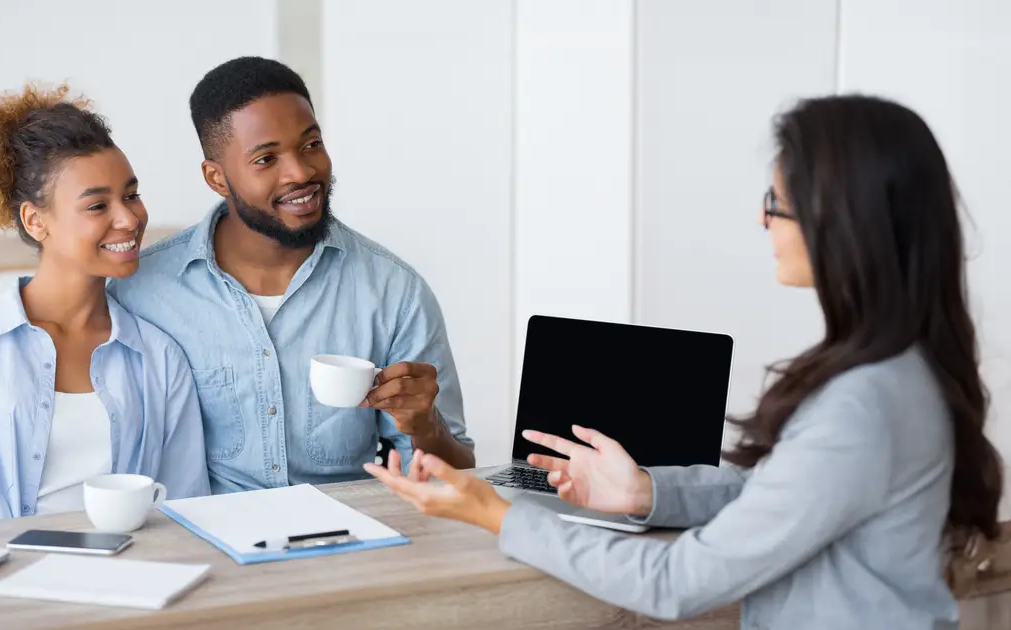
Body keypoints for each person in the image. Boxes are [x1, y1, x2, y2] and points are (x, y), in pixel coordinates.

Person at [364, 94, 1005, 629]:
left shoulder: (861, 404)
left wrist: (494, 512)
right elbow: (778, 493)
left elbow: (676, 582)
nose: (762, 219)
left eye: (777, 202)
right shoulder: (903, 371)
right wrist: (645, 490)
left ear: (842, 222)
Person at [0, 57, 475, 494]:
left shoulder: (393, 292)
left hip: (347, 551)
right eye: (266, 158)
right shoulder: (138, 288)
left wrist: (423, 426)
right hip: (204, 557)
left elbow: (454, 474)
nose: (301, 172)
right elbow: (27, 353)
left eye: (312, 145)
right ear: (216, 177)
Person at [0, 84, 210, 529]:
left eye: (132, 195)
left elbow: (185, 506)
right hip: (3, 580)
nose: (129, 218)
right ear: (35, 220)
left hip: (133, 580)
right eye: (98, 204)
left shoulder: (159, 356)